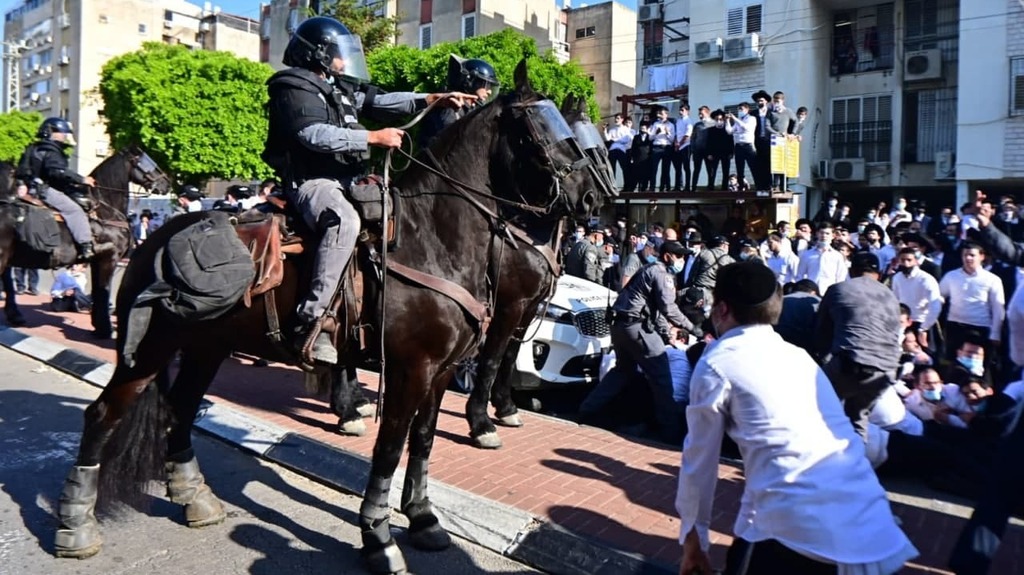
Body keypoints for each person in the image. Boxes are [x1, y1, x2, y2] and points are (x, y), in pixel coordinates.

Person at [677, 261, 918, 575]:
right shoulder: (799, 357)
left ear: (721, 309)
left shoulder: (717, 361)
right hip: (869, 521)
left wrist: (694, 541)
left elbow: (699, 463)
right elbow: (776, 449)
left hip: (799, 527)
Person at [261, 16, 475, 364]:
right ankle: (311, 320)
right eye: (337, 54)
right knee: (344, 220)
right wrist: (371, 137)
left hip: (349, 179)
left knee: (399, 213)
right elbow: (312, 134)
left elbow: (382, 102)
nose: (344, 61)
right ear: (317, 55)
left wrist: (433, 98)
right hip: (314, 182)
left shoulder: (337, 86)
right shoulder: (293, 86)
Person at [579, 241, 695, 444]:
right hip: (637, 328)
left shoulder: (649, 269)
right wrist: (693, 328)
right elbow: (668, 308)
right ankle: (670, 433)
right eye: (680, 256)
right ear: (668, 256)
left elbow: (655, 310)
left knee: (622, 370)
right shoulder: (662, 274)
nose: (682, 261)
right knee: (661, 376)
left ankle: (587, 409)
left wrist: (664, 332)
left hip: (620, 326)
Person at [816, 252, 902, 440]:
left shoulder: (838, 289)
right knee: (859, 418)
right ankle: (857, 464)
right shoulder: (891, 296)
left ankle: (821, 464)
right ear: (879, 273)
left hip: (850, 363)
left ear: (851, 270)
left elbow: (821, 332)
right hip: (887, 369)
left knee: (821, 411)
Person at [15, 117, 98, 260]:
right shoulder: (50, 150)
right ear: (51, 132)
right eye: (62, 132)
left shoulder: (33, 148)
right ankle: (85, 245)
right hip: (43, 190)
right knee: (74, 210)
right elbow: (57, 172)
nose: (65, 136)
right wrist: (81, 179)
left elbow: (21, 171)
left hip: (31, 187)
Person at [418, 54, 499, 149]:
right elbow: (451, 144)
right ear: (470, 81)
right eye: (486, 85)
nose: (489, 91)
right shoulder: (449, 106)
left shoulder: (471, 109)